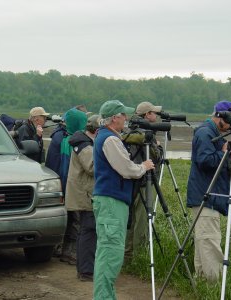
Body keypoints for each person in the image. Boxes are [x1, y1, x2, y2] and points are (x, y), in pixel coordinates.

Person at [92, 100, 155, 300]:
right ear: (114, 118)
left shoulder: (106, 137)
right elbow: (126, 169)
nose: (126, 119)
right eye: (123, 115)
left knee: (108, 252)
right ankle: (103, 297)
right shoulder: (110, 139)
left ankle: (106, 296)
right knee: (110, 253)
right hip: (111, 202)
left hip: (110, 200)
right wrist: (143, 166)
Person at [186, 100, 231, 282]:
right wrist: (224, 153)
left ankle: (202, 284)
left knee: (203, 242)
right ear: (220, 117)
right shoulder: (206, 132)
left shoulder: (213, 133)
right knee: (209, 242)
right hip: (205, 196)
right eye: (230, 120)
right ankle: (215, 286)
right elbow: (205, 160)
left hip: (205, 195)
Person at [124, 101, 164, 259]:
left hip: (130, 182)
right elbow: (157, 158)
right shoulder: (145, 135)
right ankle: (139, 256)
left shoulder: (130, 131)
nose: (156, 116)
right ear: (147, 115)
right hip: (143, 183)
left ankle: (127, 255)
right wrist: (159, 147)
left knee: (131, 219)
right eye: (154, 113)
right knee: (142, 219)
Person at [65, 114, 100, 281]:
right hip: (85, 193)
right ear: (97, 130)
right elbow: (92, 167)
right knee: (89, 230)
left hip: (82, 191)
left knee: (85, 230)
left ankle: (85, 268)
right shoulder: (85, 146)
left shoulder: (82, 142)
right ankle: (86, 271)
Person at [59, 108, 88, 265]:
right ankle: (71, 253)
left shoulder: (65, 140)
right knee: (77, 222)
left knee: (70, 221)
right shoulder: (77, 143)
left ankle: (64, 251)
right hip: (76, 187)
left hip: (65, 186)